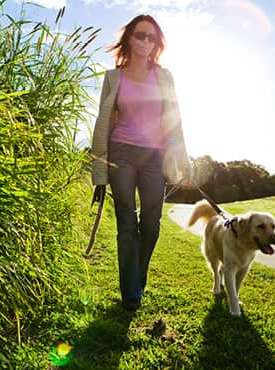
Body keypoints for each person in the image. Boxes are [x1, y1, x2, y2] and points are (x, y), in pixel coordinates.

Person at [90, 15, 190, 311]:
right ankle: (130, 293)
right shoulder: (113, 77)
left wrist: (182, 156)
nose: (146, 42)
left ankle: (138, 275)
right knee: (126, 222)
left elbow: (175, 118)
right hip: (120, 152)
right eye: (140, 35)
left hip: (154, 157)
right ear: (129, 39)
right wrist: (99, 174)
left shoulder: (164, 76)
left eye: (152, 38)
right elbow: (102, 122)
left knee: (151, 224)